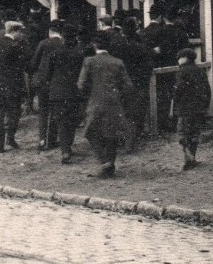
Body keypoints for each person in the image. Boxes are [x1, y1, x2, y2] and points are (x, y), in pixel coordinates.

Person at [77, 30, 133, 178]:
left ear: (94, 45)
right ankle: (110, 166)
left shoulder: (89, 61)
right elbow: (128, 86)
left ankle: (104, 162)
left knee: (90, 132)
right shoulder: (118, 62)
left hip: (94, 102)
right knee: (111, 134)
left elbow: (81, 85)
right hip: (114, 102)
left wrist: (86, 97)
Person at [0, 20, 31, 153]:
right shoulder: (16, 46)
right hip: (13, 85)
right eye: (20, 31)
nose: (21, 34)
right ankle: (10, 138)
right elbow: (23, 65)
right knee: (14, 113)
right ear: (15, 31)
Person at [46, 24, 86, 164]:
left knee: (62, 122)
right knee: (72, 121)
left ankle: (65, 150)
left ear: (62, 37)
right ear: (75, 38)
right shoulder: (80, 53)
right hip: (74, 92)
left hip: (57, 92)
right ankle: (67, 146)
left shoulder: (55, 53)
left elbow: (48, 73)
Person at [117, 17, 155, 151]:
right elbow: (149, 66)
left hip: (122, 84)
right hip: (138, 83)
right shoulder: (141, 47)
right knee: (137, 113)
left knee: (123, 112)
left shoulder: (117, 46)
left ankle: (124, 140)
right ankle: (132, 140)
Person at [172, 47, 211, 171]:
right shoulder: (200, 71)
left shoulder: (182, 72)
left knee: (182, 133)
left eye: (180, 57)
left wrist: (175, 101)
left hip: (185, 108)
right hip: (199, 107)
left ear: (185, 58)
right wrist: (205, 105)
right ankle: (191, 157)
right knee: (194, 133)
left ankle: (188, 157)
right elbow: (207, 90)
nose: (178, 60)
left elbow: (178, 89)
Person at [31, 20, 65, 151]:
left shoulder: (43, 43)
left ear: (50, 31)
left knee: (43, 111)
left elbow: (35, 62)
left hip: (43, 82)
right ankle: (51, 139)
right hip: (58, 82)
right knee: (56, 112)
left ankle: (42, 140)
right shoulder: (64, 43)